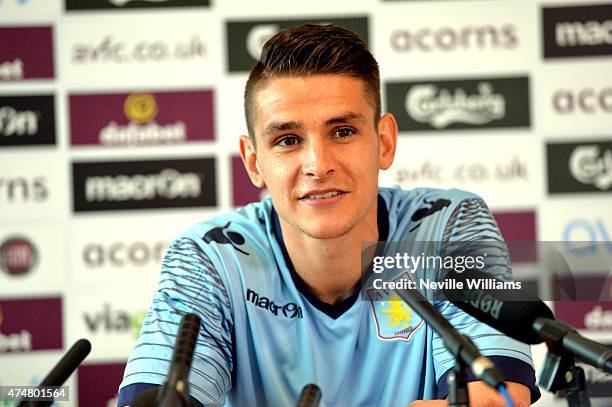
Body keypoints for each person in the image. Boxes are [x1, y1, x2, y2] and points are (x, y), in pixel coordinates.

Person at [118, 24, 540, 406]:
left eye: (342, 131)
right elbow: (157, 401)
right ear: (253, 161)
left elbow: (499, 399)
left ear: (385, 141)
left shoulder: (449, 223)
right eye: (287, 139)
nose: (318, 165)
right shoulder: (210, 258)